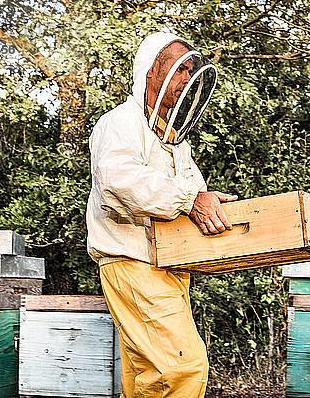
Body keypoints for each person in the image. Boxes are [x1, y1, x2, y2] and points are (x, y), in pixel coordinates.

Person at [86, 31, 237, 397]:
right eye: (180, 68)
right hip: (133, 261)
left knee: (146, 377)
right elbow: (118, 181)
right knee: (182, 368)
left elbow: (193, 193)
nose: (187, 78)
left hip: (168, 268)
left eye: (191, 70)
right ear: (152, 71)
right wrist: (190, 200)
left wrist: (209, 203)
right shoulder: (122, 122)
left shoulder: (173, 139)